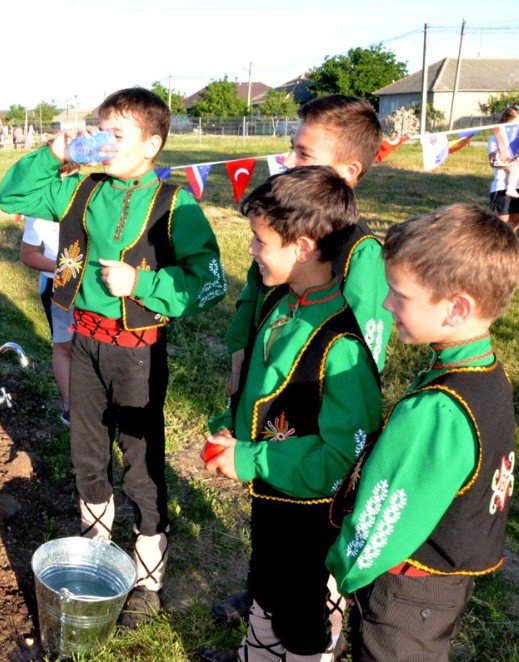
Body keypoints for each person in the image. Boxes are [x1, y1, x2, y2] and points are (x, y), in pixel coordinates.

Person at [0, 87, 227, 626]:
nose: (102, 143)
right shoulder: (80, 189)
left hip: (138, 354)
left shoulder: (175, 202)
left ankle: (149, 577)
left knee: (142, 462)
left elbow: (210, 280)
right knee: (86, 449)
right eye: (100, 130)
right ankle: (95, 547)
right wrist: (55, 153)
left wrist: (144, 283)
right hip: (83, 343)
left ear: (152, 145)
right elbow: (12, 197)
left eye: (116, 135)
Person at [213, 95, 391, 646]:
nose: (290, 160)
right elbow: (256, 306)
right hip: (272, 441)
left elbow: (352, 358)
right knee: (274, 556)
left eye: (303, 151)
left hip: (311, 457)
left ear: (348, 170)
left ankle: (310, 614)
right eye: (292, 148)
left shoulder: (354, 256)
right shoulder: (282, 243)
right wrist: (242, 380)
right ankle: (267, 611)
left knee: (305, 577)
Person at [327, 204, 519, 661]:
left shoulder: (437, 411)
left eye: (399, 294)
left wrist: (341, 568)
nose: (386, 303)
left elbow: (384, 515)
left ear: (456, 308)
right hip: (443, 587)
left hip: (405, 597)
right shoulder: (487, 373)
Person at [20, 208, 74, 425]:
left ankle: (101, 404)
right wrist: (66, 269)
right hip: (56, 284)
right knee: (64, 345)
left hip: (93, 282)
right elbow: (28, 254)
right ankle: (71, 408)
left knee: (95, 346)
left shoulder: (92, 195)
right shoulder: (39, 210)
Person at [488, 107, 519, 237]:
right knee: (501, 226)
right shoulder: (496, 138)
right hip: (502, 188)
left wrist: (518, 161)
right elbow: (494, 161)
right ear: (509, 120)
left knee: (515, 222)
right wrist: (513, 163)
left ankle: (509, 251)